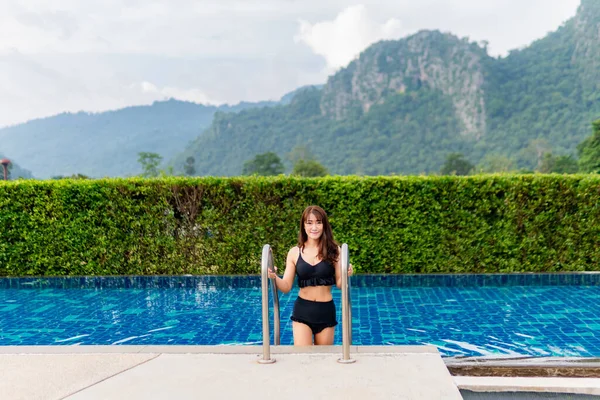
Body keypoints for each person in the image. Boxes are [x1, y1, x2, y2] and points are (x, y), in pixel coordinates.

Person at [268, 205, 353, 345]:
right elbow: (286, 286)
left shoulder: (335, 251)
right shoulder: (294, 252)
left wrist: (347, 274)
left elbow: (339, 284)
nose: (314, 227)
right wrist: (273, 276)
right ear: (303, 226)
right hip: (303, 310)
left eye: (318, 222)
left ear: (324, 225)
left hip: (326, 310)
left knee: (323, 359)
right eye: (309, 223)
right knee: (302, 358)